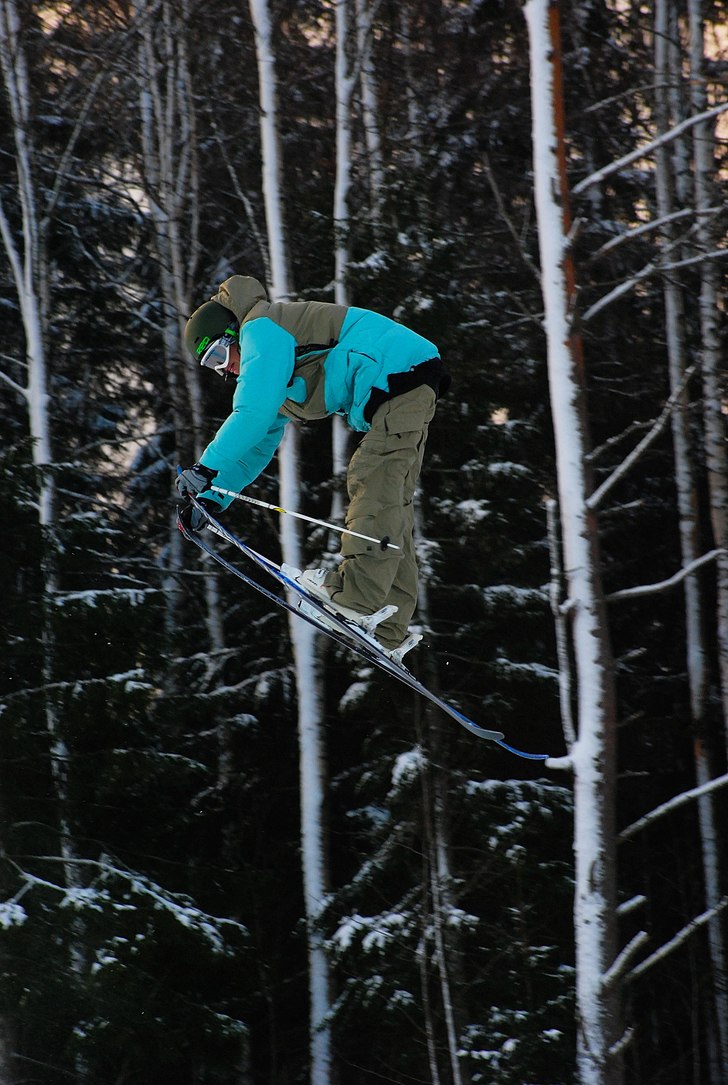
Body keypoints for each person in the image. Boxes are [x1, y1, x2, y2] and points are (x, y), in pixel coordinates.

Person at [176, 275, 450, 661]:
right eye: (212, 367)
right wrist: (212, 497)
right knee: (391, 503)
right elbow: (257, 446)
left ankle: (355, 596)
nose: (225, 370)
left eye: (221, 357)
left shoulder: (261, 329)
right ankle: (388, 630)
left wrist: (205, 467)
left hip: (398, 375)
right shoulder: (276, 370)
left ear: (232, 335)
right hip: (403, 384)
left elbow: (250, 413)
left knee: (372, 479)